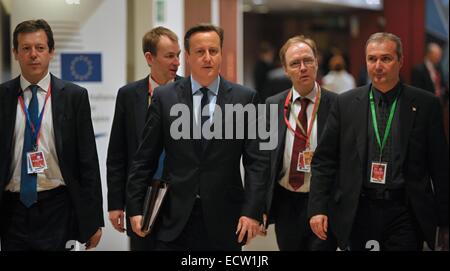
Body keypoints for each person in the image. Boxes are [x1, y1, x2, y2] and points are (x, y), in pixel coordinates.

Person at [126, 24, 267, 251]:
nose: (207, 58)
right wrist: (133, 207)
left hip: (225, 219)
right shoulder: (165, 97)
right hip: (173, 218)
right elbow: (144, 158)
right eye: (200, 52)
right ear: (188, 57)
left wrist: (252, 211)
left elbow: (257, 163)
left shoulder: (245, 99)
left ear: (221, 54)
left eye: (214, 51)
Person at [308, 32, 449, 251]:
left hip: (406, 212)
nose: (378, 65)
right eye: (372, 59)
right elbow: (324, 160)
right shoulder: (345, 104)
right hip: (359, 209)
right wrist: (317, 208)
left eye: (386, 58)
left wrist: (445, 220)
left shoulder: (425, 104)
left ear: (400, 61)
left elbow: (441, 167)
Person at [0, 19, 103, 250]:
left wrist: (94, 219)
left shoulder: (74, 96)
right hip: (11, 211)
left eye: (40, 48)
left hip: (58, 207)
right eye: (26, 48)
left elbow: (88, 162)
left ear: (51, 52)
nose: (33, 55)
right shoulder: (2, 96)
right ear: (15, 53)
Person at [107, 27, 181, 251]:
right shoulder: (128, 95)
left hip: (181, 200)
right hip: (142, 199)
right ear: (150, 58)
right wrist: (115, 204)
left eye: (178, 55)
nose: (176, 62)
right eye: (169, 56)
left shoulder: (189, 93)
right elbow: (117, 154)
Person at [264, 36, 337, 251]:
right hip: (286, 202)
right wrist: (261, 204)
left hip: (322, 201)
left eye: (308, 60)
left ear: (317, 62)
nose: (302, 68)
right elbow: (263, 161)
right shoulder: (272, 105)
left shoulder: (338, 105)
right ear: (285, 69)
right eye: (295, 63)